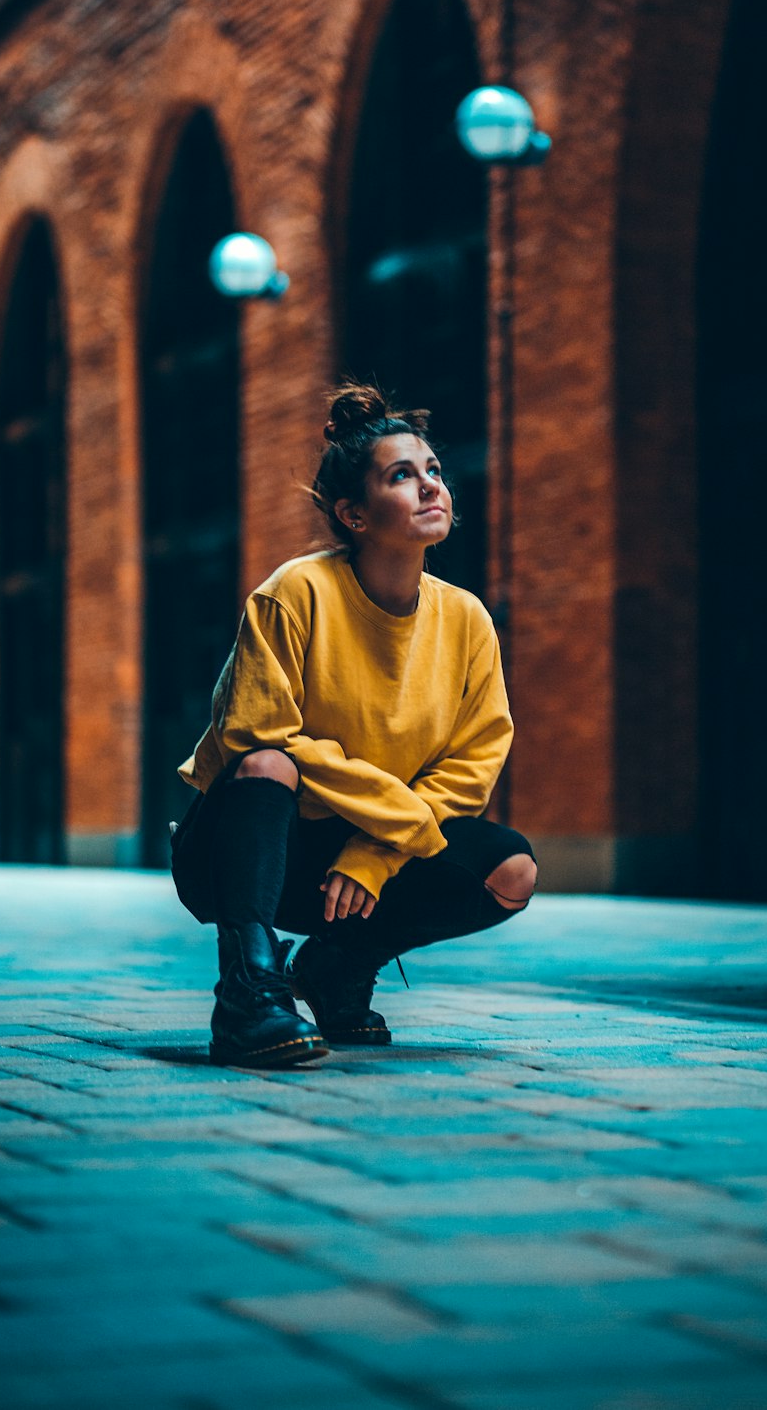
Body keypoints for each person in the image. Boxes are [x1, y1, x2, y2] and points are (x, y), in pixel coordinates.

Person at [170, 382, 537, 1068]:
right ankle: (248, 995)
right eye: (403, 476)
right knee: (270, 763)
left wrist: (375, 852)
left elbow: (471, 767)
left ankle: (337, 967)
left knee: (510, 870)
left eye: (433, 471)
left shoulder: (465, 619)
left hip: (366, 855)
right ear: (354, 514)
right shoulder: (295, 593)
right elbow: (256, 735)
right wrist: (396, 813)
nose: (431, 487)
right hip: (243, 850)